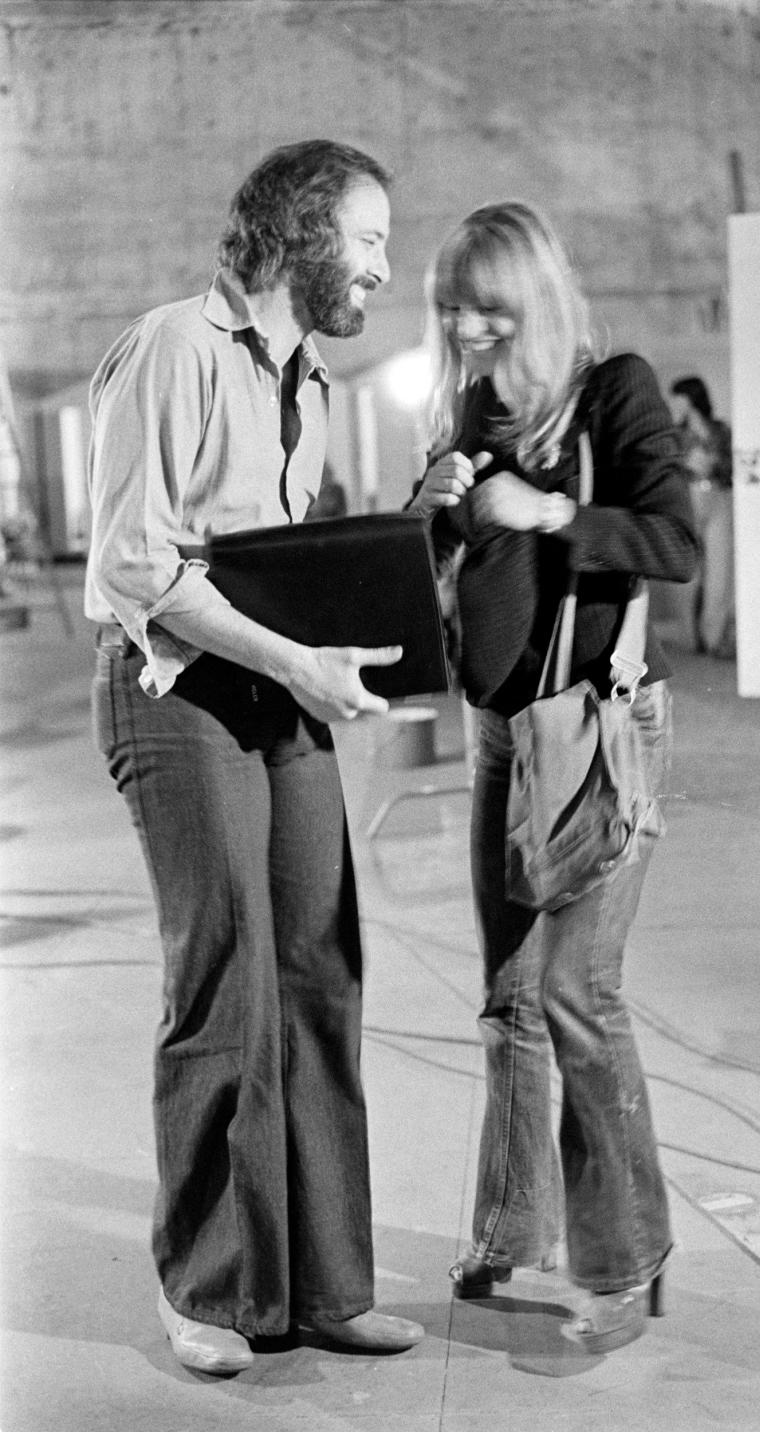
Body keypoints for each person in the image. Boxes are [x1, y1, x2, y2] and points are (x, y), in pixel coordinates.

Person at [85, 140, 425, 1374]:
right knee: (226, 983)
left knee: (319, 974)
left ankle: (327, 1282)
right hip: (173, 694)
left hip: (277, 695)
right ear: (302, 232)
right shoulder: (176, 345)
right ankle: (210, 1289)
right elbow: (132, 564)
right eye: (373, 238)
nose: (386, 268)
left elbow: (268, 561)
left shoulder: (311, 379)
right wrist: (295, 660)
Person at [407, 202, 698, 1353]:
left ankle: (627, 1262)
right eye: (449, 308)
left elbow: (677, 542)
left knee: (578, 990)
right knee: (510, 999)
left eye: (488, 306)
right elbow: (435, 587)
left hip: (598, 724)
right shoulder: (475, 410)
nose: (467, 327)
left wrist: (551, 509)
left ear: (533, 300)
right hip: (501, 731)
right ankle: (507, 1228)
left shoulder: (612, 389)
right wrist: (427, 519)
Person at [668, 375, 736, 658]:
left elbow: (729, 467)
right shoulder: (674, 434)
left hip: (717, 497)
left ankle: (713, 638)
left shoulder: (719, 429)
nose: (674, 403)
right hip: (689, 499)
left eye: (678, 397)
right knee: (689, 571)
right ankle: (689, 637)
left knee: (719, 570)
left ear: (690, 398)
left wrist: (712, 462)